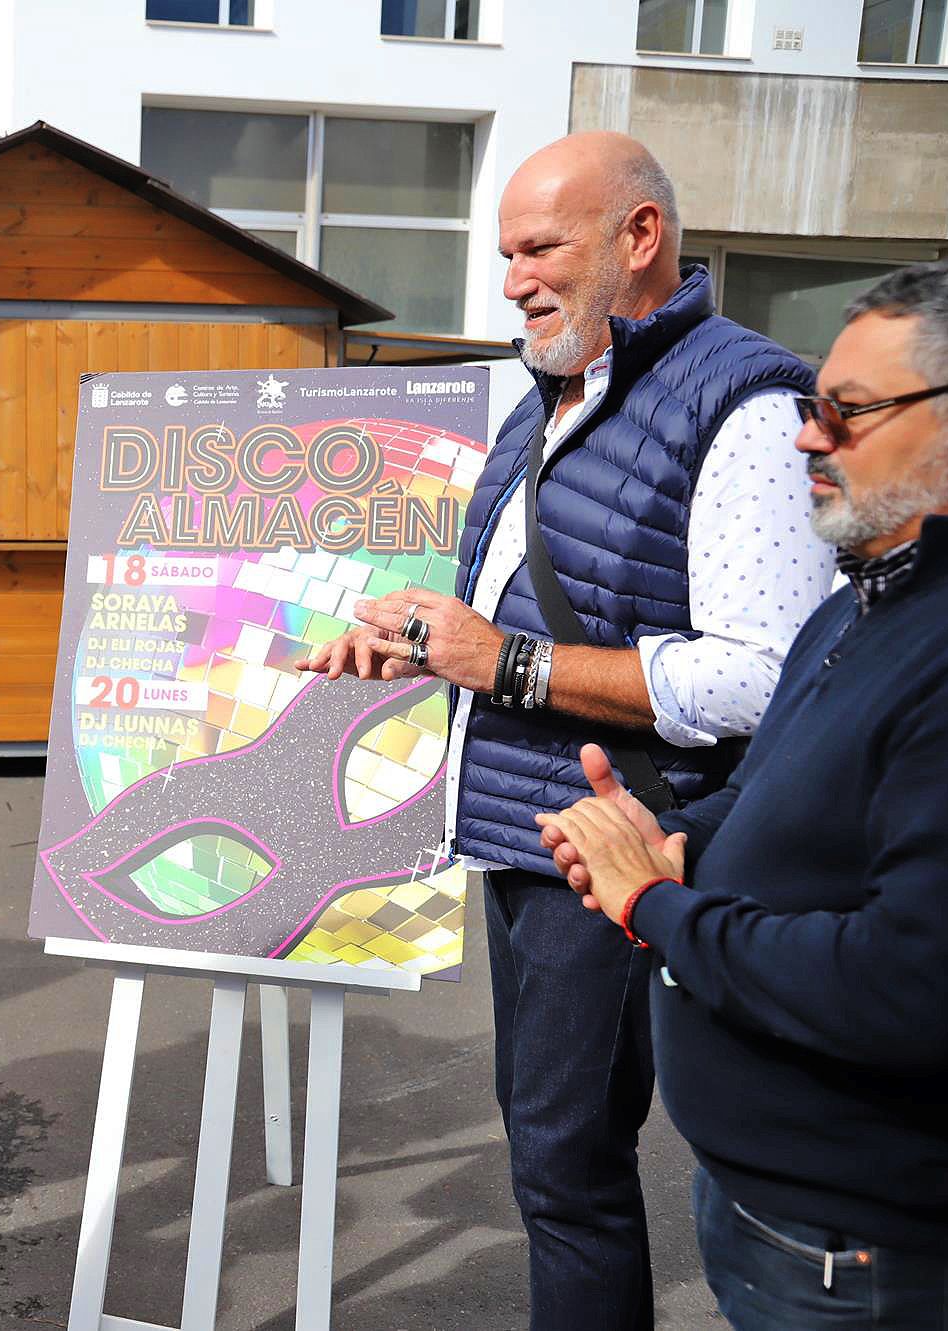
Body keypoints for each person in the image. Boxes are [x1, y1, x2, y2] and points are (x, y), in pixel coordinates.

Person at [302, 133, 835, 1328]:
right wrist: (413, 636)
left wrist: (506, 662)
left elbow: (768, 676)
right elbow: (522, 609)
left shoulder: (743, 404)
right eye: (505, 253)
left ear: (638, 238)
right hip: (534, 833)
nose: (510, 278)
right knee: (553, 1156)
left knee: (566, 1167)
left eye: (539, 246)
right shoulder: (555, 393)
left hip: (623, 843)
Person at [537, 255, 948, 1330]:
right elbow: (781, 790)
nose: (805, 435)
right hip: (774, 1210)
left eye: (846, 410)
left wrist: (654, 904)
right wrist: (674, 833)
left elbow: (905, 988)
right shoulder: (867, 595)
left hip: (868, 1252)